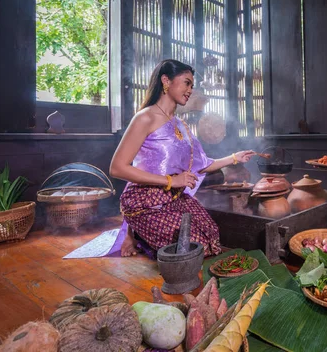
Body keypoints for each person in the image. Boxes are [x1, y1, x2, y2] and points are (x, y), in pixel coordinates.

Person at [109, 59, 256, 257]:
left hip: (174, 196)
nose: (190, 90)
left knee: (210, 234)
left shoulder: (182, 125)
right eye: (187, 83)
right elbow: (117, 168)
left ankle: (139, 234)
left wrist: (234, 158)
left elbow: (201, 165)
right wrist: (171, 180)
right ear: (166, 81)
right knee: (191, 244)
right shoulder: (145, 118)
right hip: (144, 199)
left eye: (192, 85)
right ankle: (135, 231)